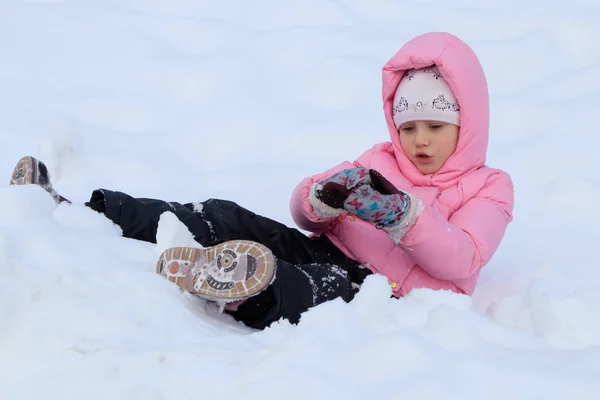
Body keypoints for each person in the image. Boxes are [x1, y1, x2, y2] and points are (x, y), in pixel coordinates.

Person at [9, 31, 514, 330]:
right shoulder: (378, 159)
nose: (419, 141)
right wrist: (319, 201)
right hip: (327, 249)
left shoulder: (489, 186)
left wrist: (401, 216)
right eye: (408, 127)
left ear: (467, 122)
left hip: (386, 294)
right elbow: (304, 212)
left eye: (435, 127)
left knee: (317, 288)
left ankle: (241, 288)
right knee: (228, 216)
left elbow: (463, 258)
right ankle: (84, 208)